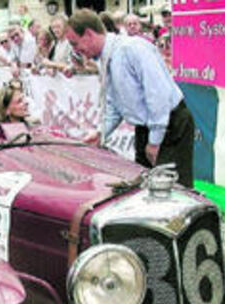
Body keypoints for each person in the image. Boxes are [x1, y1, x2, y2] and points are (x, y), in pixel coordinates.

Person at [66, 9, 195, 188]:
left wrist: (155, 140)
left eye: (75, 43)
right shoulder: (106, 58)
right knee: (145, 192)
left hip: (170, 125)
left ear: (88, 34)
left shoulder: (132, 48)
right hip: (147, 128)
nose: (75, 51)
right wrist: (100, 132)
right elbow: (114, 103)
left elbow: (158, 94)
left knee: (173, 191)